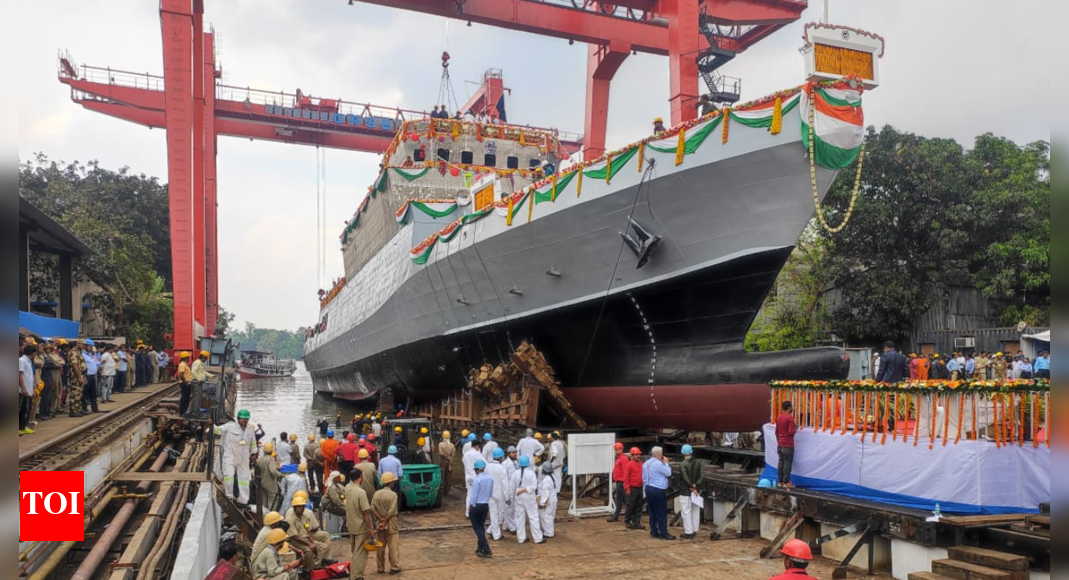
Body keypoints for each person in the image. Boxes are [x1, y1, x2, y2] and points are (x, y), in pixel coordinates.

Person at [284, 494, 333, 570]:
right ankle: (308, 569)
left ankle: (317, 563)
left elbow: (308, 529)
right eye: (299, 506)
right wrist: (310, 544)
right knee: (309, 550)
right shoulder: (290, 518)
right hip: (293, 540)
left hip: (304, 537)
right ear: (294, 507)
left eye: (303, 506)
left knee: (323, 546)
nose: (302, 508)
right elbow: (295, 536)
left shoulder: (304, 515)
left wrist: (312, 541)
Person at [345, 467, 376, 580]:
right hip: (361, 527)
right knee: (361, 553)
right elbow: (366, 512)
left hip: (351, 524)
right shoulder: (361, 492)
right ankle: (356, 576)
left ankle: (353, 574)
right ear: (360, 477)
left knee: (355, 551)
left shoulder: (347, 488)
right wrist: (371, 528)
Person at [220, 409, 257, 505]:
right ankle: (229, 496)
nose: (244, 421)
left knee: (245, 480)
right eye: (243, 419)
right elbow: (218, 430)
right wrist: (211, 425)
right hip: (230, 456)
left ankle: (243, 501)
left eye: (246, 419)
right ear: (238, 419)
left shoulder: (250, 429)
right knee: (229, 476)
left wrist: (254, 453)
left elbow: (253, 442)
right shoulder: (230, 427)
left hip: (243, 457)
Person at [371, 471, 402, 575]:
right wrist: (385, 521)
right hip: (391, 524)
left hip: (379, 525)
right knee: (393, 547)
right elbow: (392, 510)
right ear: (391, 483)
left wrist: (380, 520)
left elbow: (372, 508)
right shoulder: (393, 495)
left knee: (380, 547)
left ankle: (380, 568)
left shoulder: (376, 494)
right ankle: (394, 567)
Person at [643, 446, 674, 541]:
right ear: (659, 454)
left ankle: (654, 531)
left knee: (652, 511)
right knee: (661, 511)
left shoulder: (646, 463)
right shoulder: (658, 464)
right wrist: (666, 463)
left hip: (648, 488)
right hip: (658, 489)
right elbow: (668, 473)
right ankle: (663, 532)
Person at [512, 454, 544, 544]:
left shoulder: (515, 473)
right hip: (529, 496)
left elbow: (512, 486)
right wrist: (524, 490)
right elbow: (534, 486)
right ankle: (538, 538)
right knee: (533, 517)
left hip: (518, 496)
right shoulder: (531, 473)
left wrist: (514, 494)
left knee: (519, 517)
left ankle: (521, 538)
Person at [469, 459, 494, 558]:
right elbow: (491, 493)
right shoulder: (490, 479)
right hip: (485, 504)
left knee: (477, 527)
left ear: (476, 470)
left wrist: (471, 505)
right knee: (481, 526)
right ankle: (480, 547)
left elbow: (474, 495)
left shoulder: (477, 480)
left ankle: (486, 547)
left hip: (477, 505)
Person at [678, 444, 703, 539]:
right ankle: (695, 529)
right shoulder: (698, 463)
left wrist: (691, 487)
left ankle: (689, 531)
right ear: (691, 452)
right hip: (696, 491)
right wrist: (696, 485)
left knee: (686, 511)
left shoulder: (683, 464)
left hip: (685, 491)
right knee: (695, 511)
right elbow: (702, 476)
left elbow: (685, 477)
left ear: (682, 453)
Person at [485, 447, 509, 541]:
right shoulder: (501, 468)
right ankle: (495, 533)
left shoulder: (487, 467)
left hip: (490, 493)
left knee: (493, 513)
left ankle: (493, 531)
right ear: (501, 457)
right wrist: (507, 497)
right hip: (500, 494)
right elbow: (505, 484)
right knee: (501, 514)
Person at [776, 401, 798, 488]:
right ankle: (787, 482)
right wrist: (796, 427)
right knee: (787, 463)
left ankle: (780, 481)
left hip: (780, 444)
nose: (792, 409)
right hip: (788, 444)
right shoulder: (789, 418)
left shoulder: (779, 417)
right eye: (791, 407)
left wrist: (779, 441)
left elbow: (776, 432)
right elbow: (791, 432)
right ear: (789, 408)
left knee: (781, 462)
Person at [623, 448, 645, 530]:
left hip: (639, 488)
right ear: (632, 455)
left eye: (639, 454)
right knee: (631, 506)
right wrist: (627, 488)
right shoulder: (629, 465)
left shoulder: (641, 464)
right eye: (636, 455)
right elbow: (626, 478)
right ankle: (627, 520)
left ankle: (637, 522)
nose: (638, 456)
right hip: (632, 488)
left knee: (639, 505)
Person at [257, 442, 283, 511]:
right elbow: (273, 471)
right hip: (270, 483)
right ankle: (271, 516)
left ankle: (264, 517)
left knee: (264, 502)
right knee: (273, 500)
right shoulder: (271, 459)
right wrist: (281, 475)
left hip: (262, 484)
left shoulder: (259, 460)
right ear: (271, 451)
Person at [321, 471, 347, 539]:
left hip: (333, 505)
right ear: (334, 478)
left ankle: (345, 528)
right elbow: (335, 501)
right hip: (330, 506)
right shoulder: (332, 487)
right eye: (338, 477)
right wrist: (344, 506)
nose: (340, 478)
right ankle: (345, 529)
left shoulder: (337, 485)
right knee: (347, 511)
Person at [462, 439, 484, 518]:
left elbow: (464, 464)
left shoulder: (466, 454)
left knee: (469, 494)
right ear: (477, 446)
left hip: (468, 476)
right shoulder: (477, 454)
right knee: (477, 495)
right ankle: (475, 512)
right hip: (476, 476)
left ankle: (468, 512)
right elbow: (483, 463)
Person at [607, 442, 628, 522]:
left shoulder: (623, 459)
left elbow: (625, 471)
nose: (615, 451)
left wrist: (625, 483)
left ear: (621, 449)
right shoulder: (619, 458)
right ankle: (616, 516)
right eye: (615, 450)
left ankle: (628, 516)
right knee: (619, 500)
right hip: (619, 482)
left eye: (617, 450)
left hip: (622, 482)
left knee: (625, 501)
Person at [537, 461, 558, 539]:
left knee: (545, 516)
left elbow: (546, 492)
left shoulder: (546, 480)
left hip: (547, 500)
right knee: (550, 516)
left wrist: (542, 503)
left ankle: (549, 532)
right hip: (552, 499)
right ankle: (548, 531)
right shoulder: (552, 477)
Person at [19, 344, 37, 435]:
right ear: (32, 353)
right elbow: (20, 374)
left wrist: (32, 389)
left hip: (28, 389)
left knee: (26, 409)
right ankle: (19, 427)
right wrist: (24, 388)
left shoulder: (29, 361)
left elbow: (30, 375)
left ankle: (23, 427)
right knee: (21, 409)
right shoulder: (22, 360)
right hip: (23, 390)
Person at [189, 350, 213, 416]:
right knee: (197, 398)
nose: (206, 360)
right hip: (196, 382)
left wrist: (211, 376)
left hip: (198, 382)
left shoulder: (200, 363)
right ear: (204, 357)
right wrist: (199, 379)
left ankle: (192, 411)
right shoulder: (198, 363)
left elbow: (203, 372)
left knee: (198, 397)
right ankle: (195, 413)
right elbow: (193, 371)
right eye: (206, 358)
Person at [81, 339, 100, 414]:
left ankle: (94, 407)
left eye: (92, 347)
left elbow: (96, 363)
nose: (91, 348)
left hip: (92, 375)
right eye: (90, 346)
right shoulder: (82, 355)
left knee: (93, 393)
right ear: (85, 346)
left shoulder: (90, 355)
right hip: (87, 375)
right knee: (85, 393)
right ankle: (84, 408)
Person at [438, 430, 456, 495]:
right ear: (449, 437)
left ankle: (441, 490)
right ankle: (447, 491)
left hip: (443, 461)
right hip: (450, 462)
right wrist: (450, 463)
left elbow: (441, 454)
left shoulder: (440, 444)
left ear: (443, 437)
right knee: (448, 477)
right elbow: (453, 456)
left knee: (442, 476)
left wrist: (446, 457)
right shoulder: (452, 445)